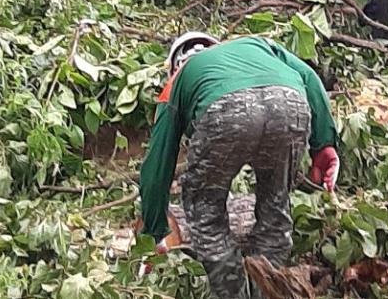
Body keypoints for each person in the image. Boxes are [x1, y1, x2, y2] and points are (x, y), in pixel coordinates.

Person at [138, 32, 340, 299]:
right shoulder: (257, 44)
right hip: (290, 102)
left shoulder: (177, 80)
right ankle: (267, 293)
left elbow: (157, 165)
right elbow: (310, 78)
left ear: (176, 64)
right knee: (275, 208)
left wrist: (154, 230)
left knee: (207, 215)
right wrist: (324, 144)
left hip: (224, 111)